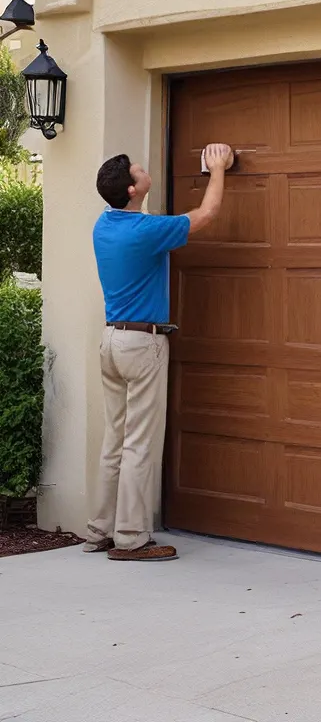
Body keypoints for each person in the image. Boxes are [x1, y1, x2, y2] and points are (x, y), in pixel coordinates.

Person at [82, 144, 234, 561]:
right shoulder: (144, 232)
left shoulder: (105, 225)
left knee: (115, 438)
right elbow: (205, 216)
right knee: (140, 443)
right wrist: (217, 169)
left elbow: (154, 223)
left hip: (111, 341)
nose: (146, 170)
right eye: (140, 170)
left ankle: (100, 530)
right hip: (141, 345)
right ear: (133, 189)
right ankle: (131, 538)